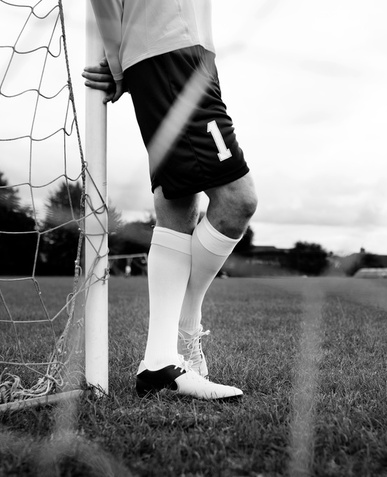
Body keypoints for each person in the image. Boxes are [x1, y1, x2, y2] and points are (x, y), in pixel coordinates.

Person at [83, 1, 257, 400]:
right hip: (168, 51)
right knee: (237, 200)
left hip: (187, 52)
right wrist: (116, 61)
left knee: (179, 203)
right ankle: (174, 339)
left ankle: (162, 358)